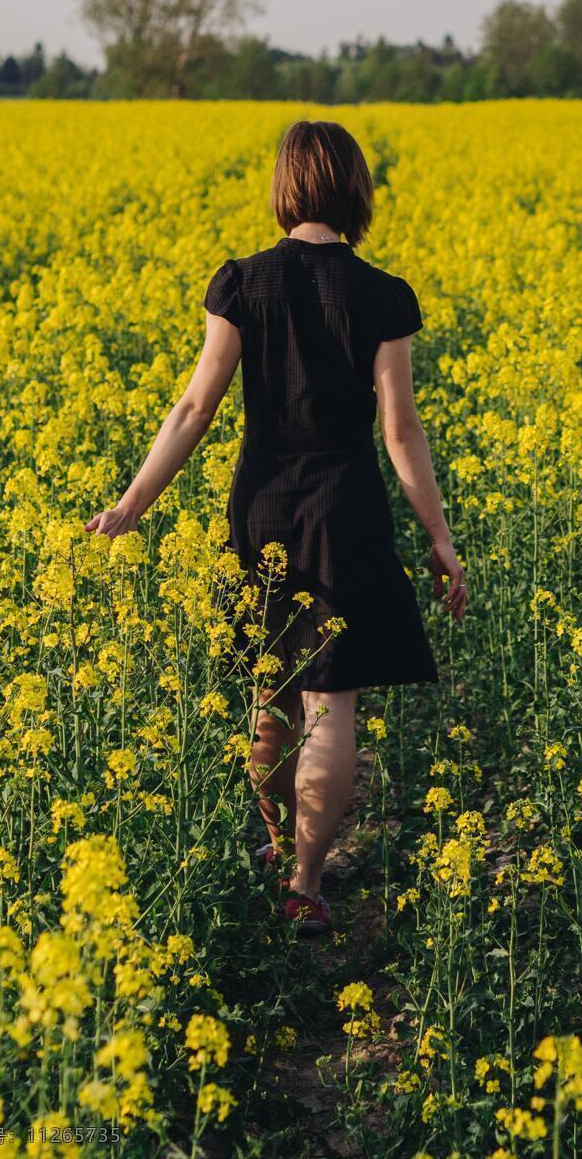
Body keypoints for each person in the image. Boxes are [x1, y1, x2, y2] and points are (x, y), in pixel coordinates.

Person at [85, 119, 467, 937]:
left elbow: (194, 406)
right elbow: (401, 432)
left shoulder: (242, 283)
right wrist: (438, 537)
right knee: (334, 704)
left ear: (285, 188)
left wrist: (132, 504)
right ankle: (306, 880)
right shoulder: (383, 296)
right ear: (357, 189)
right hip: (347, 508)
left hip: (262, 506)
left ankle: (272, 841)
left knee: (273, 693)